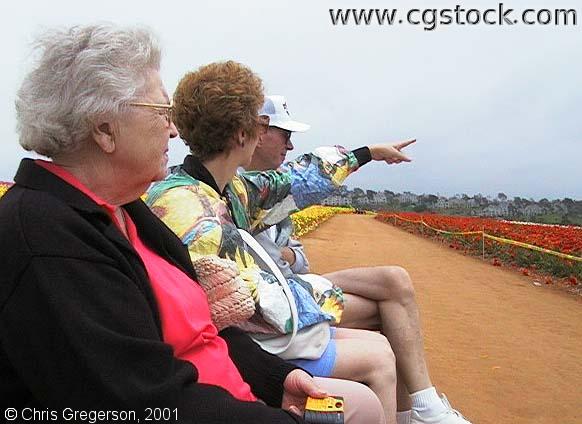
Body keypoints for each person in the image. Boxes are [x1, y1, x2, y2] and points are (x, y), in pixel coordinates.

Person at [0, 24, 386, 424]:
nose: (172, 128)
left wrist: (276, 379)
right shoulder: (45, 237)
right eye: (161, 111)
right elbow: (139, 403)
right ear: (103, 129)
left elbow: (207, 330)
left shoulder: (127, 211)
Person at [146, 61, 423, 423]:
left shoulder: (225, 188)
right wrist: (321, 297)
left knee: (377, 330)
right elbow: (254, 306)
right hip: (232, 355)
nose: (265, 136)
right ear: (243, 134)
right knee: (376, 351)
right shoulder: (188, 206)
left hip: (244, 340)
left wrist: (366, 153)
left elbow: (294, 181)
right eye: (258, 126)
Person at [247, 95, 472, 424]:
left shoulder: (267, 189)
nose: (291, 146)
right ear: (257, 130)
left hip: (290, 284)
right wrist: (369, 153)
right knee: (388, 306)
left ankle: (420, 406)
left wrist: (284, 254)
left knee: (395, 279)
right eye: (285, 135)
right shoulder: (241, 187)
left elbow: (300, 257)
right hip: (278, 300)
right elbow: (309, 179)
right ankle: (416, 410)